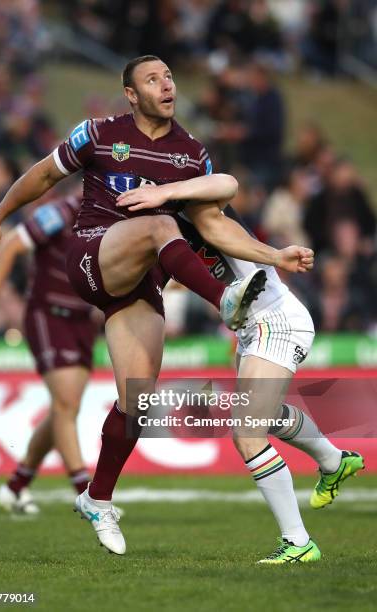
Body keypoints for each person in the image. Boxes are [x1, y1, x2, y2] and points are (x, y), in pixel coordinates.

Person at [0, 55, 312, 555]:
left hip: (140, 284)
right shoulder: (96, 132)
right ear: (131, 94)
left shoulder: (192, 153)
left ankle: (97, 497)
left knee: (137, 400)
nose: (166, 85)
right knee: (162, 225)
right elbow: (45, 176)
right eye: (152, 79)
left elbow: (216, 224)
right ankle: (224, 302)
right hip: (93, 253)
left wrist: (273, 256)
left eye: (170, 77)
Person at [120, 186, 364, 563]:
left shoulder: (200, 207)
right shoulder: (165, 235)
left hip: (275, 320)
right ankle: (334, 461)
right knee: (266, 416)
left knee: (247, 433)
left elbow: (227, 185)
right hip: (252, 329)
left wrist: (275, 256)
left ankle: (299, 543)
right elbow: (154, 283)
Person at [0, 194, 97, 513]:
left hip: (84, 321)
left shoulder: (114, 218)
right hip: (48, 315)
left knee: (63, 409)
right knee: (66, 404)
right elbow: (12, 245)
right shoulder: (62, 212)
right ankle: (86, 494)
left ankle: (15, 486)